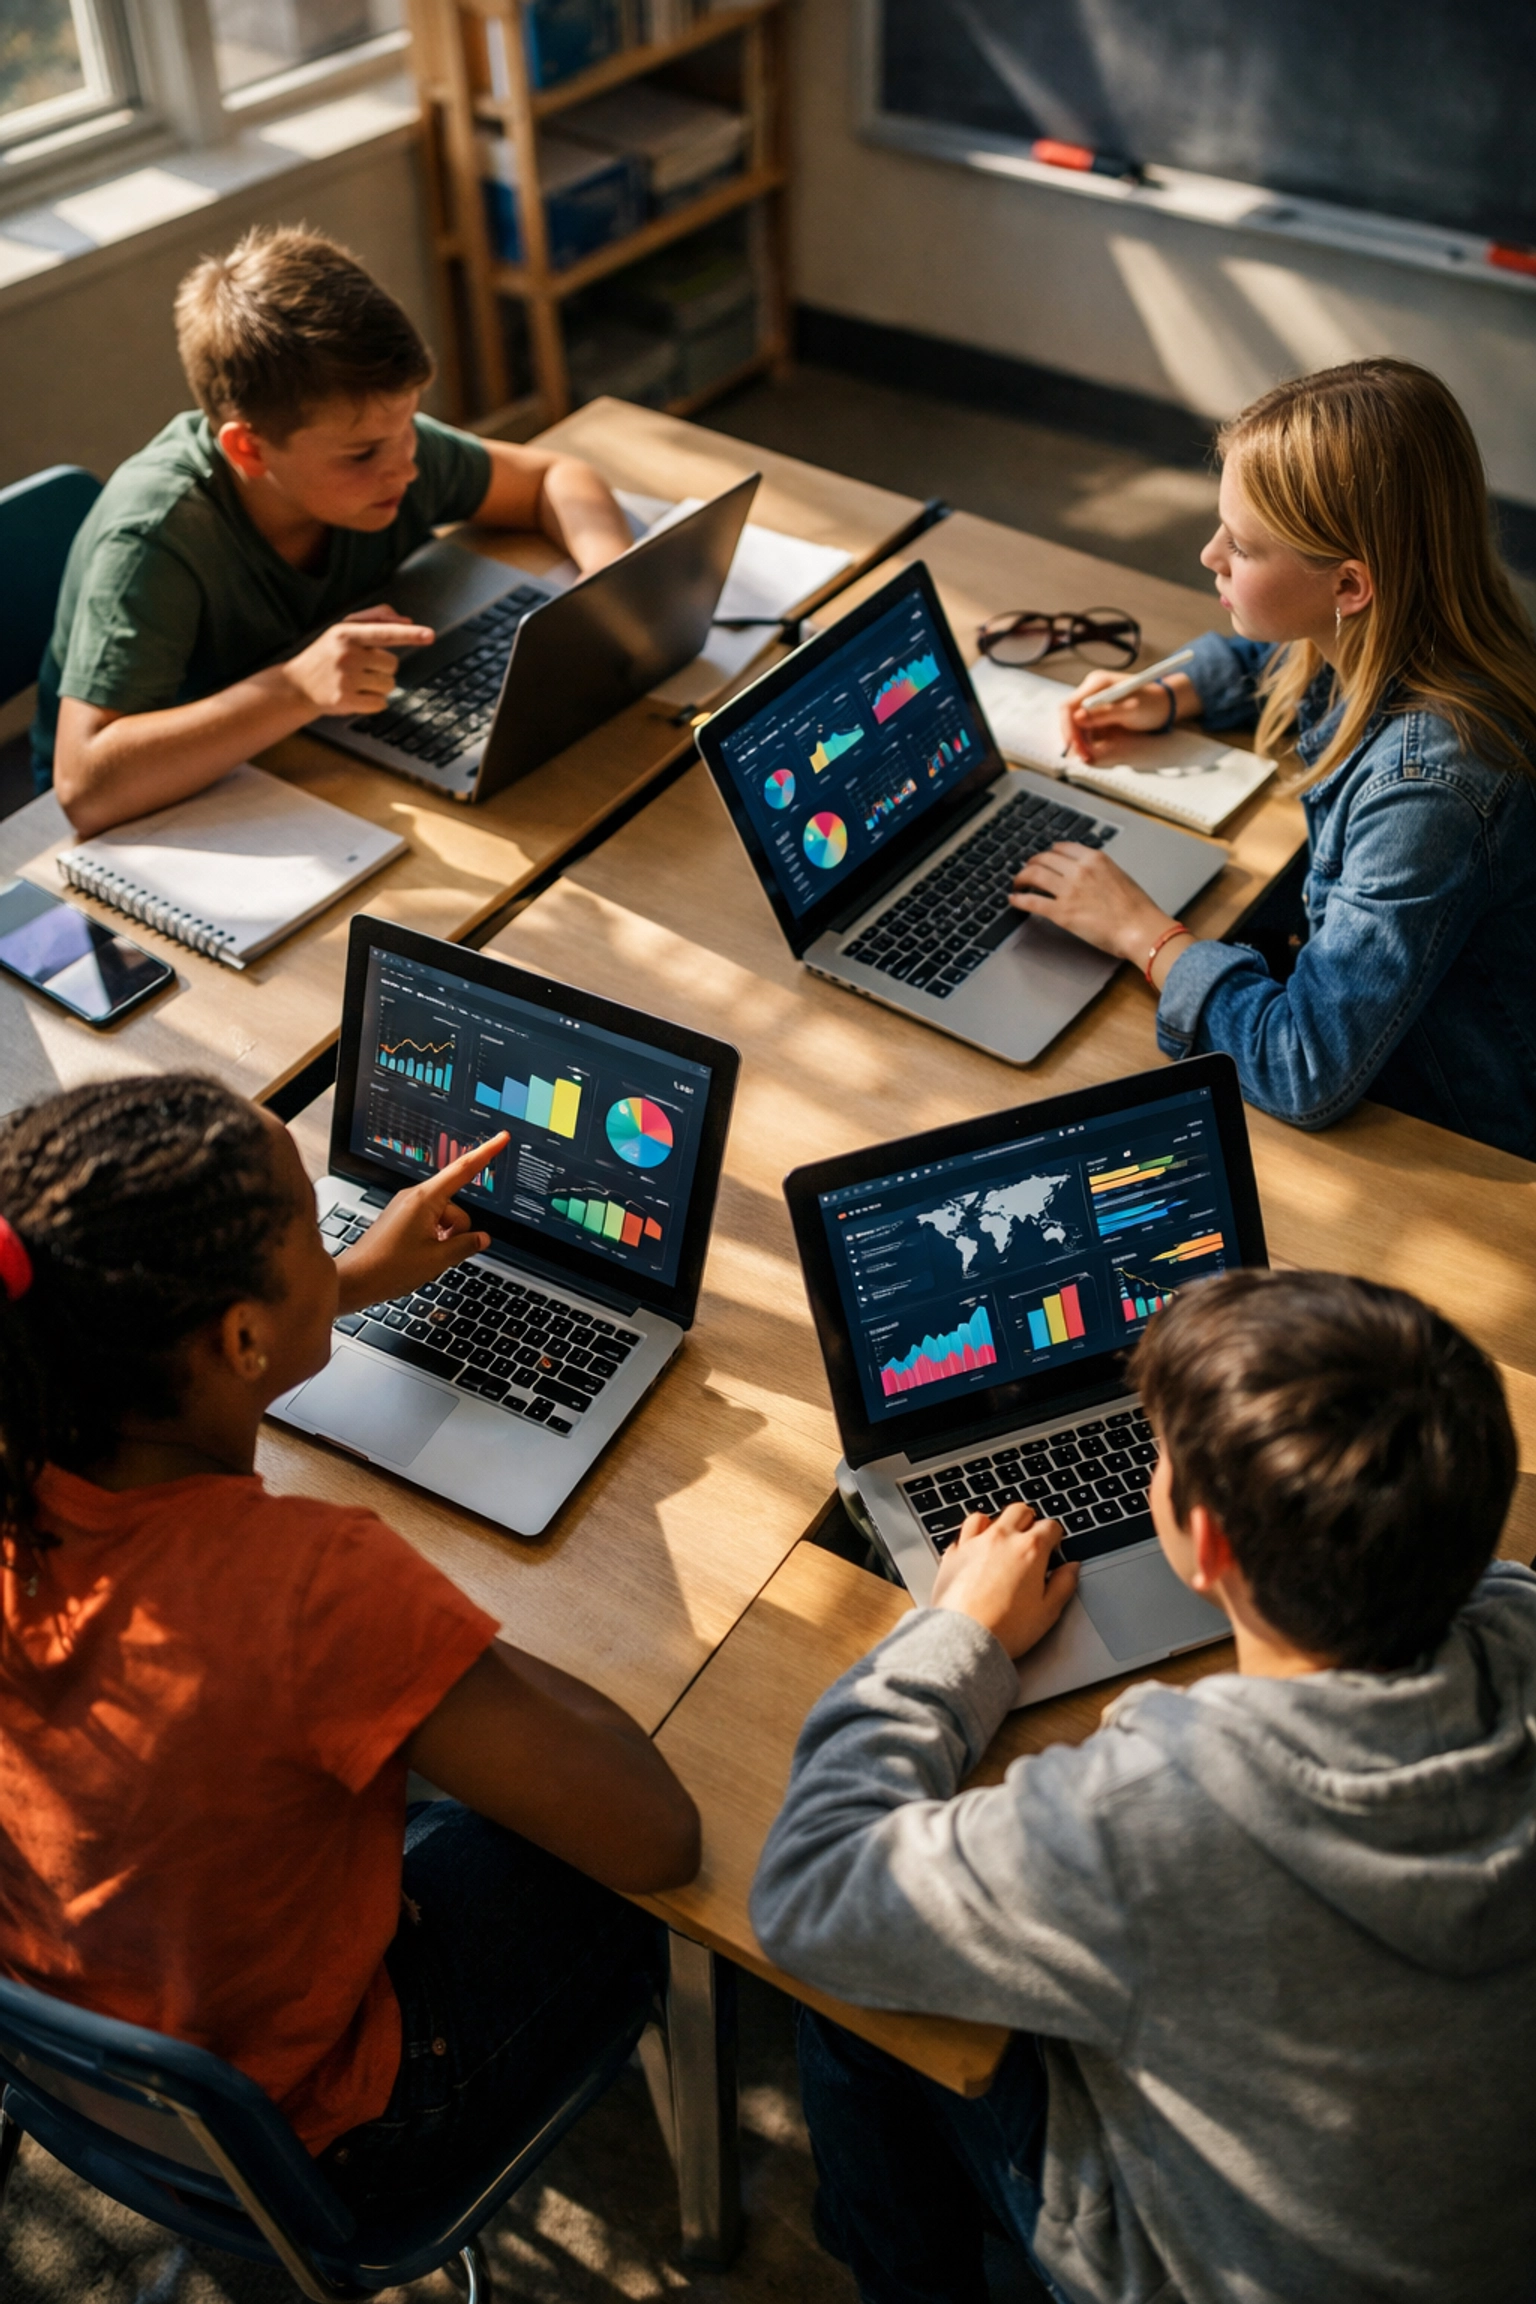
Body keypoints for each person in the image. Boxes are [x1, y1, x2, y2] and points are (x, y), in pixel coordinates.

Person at [750, 1267, 1536, 2304]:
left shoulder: (1147, 1815)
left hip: (1212, 2272)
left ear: (1203, 1543)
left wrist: (960, 1633)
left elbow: (809, 1889)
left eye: (1154, 1453)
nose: (1147, 1463)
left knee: (857, 2013)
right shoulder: (1517, 1630)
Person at [0, 1074, 698, 2210]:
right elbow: (657, 1836)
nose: (335, 1253)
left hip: (82, 2055)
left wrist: (344, 1288)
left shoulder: (37, 1414)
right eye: (309, 1242)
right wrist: (433, 1633)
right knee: (628, 1865)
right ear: (237, 1336)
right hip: (321, 2133)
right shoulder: (314, 1591)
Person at [1007, 359, 1536, 1158]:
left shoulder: (1431, 791)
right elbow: (1276, 663)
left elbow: (1303, 1067)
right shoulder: (1406, 632)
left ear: (1350, 584)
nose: (1209, 555)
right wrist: (1175, 691)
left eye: (1243, 547)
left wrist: (1143, 934)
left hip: (1458, 1126)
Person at [34, 226, 635, 838]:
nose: (405, 464)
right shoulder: (154, 538)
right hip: (155, 817)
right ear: (249, 449)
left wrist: (607, 580)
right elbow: (86, 788)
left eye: (409, 424)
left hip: (308, 755)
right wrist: (297, 687)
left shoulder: (384, 454)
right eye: (363, 452)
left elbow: (554, 477)